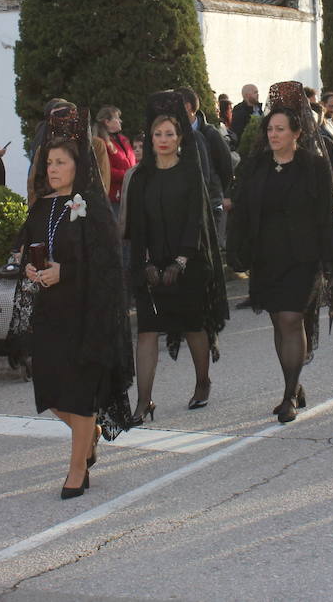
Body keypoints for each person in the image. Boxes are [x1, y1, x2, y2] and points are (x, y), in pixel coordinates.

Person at [20, 109, 135, 498]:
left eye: (60, 162)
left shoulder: (92, 207)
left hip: (86, 311)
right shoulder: (42, 206)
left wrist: (63, 273)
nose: (52, 169)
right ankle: (91, 434)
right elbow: (24, 252)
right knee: (51, 392)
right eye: (49, 162)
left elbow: (105, 263)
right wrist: (31, 271)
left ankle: (76, 469)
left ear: (77, 164)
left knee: (79, 393)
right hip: (50, 314)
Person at [228, 81, 333, 423]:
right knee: (280, 322)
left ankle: (289, 395)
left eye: (280, 129)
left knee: (292, 319)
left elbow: (325, 215)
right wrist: (238, 248)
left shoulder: (313, 165)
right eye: (270, 128)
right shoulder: (257, 165)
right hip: (267, 257)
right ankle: (293, 381)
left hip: (303, 257)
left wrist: (328, 259)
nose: (274, 133)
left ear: (297, 132)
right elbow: (245, 209)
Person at [124, 93, 229, 422]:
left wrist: (180, 261)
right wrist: (145, 263)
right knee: (146, 332)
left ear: (180, 137)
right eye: (158, 134)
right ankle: (144, 402)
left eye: (169, 133)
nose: (164, 140)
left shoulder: (189, 172)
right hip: (151, 265)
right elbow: (137, 226)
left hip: (189, 263)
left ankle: (202, 382)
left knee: (193, 326)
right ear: (150, 139)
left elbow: (195, 221)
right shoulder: (141, 176)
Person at [95, 105, 137, 217]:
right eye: (117, 118)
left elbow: (130, 162)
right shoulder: (100, 143)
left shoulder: (124, 140)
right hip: (113, 197)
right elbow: (105, 170)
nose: (120, 121)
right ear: (107, 122)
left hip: (129, 195)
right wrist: (129, 174)